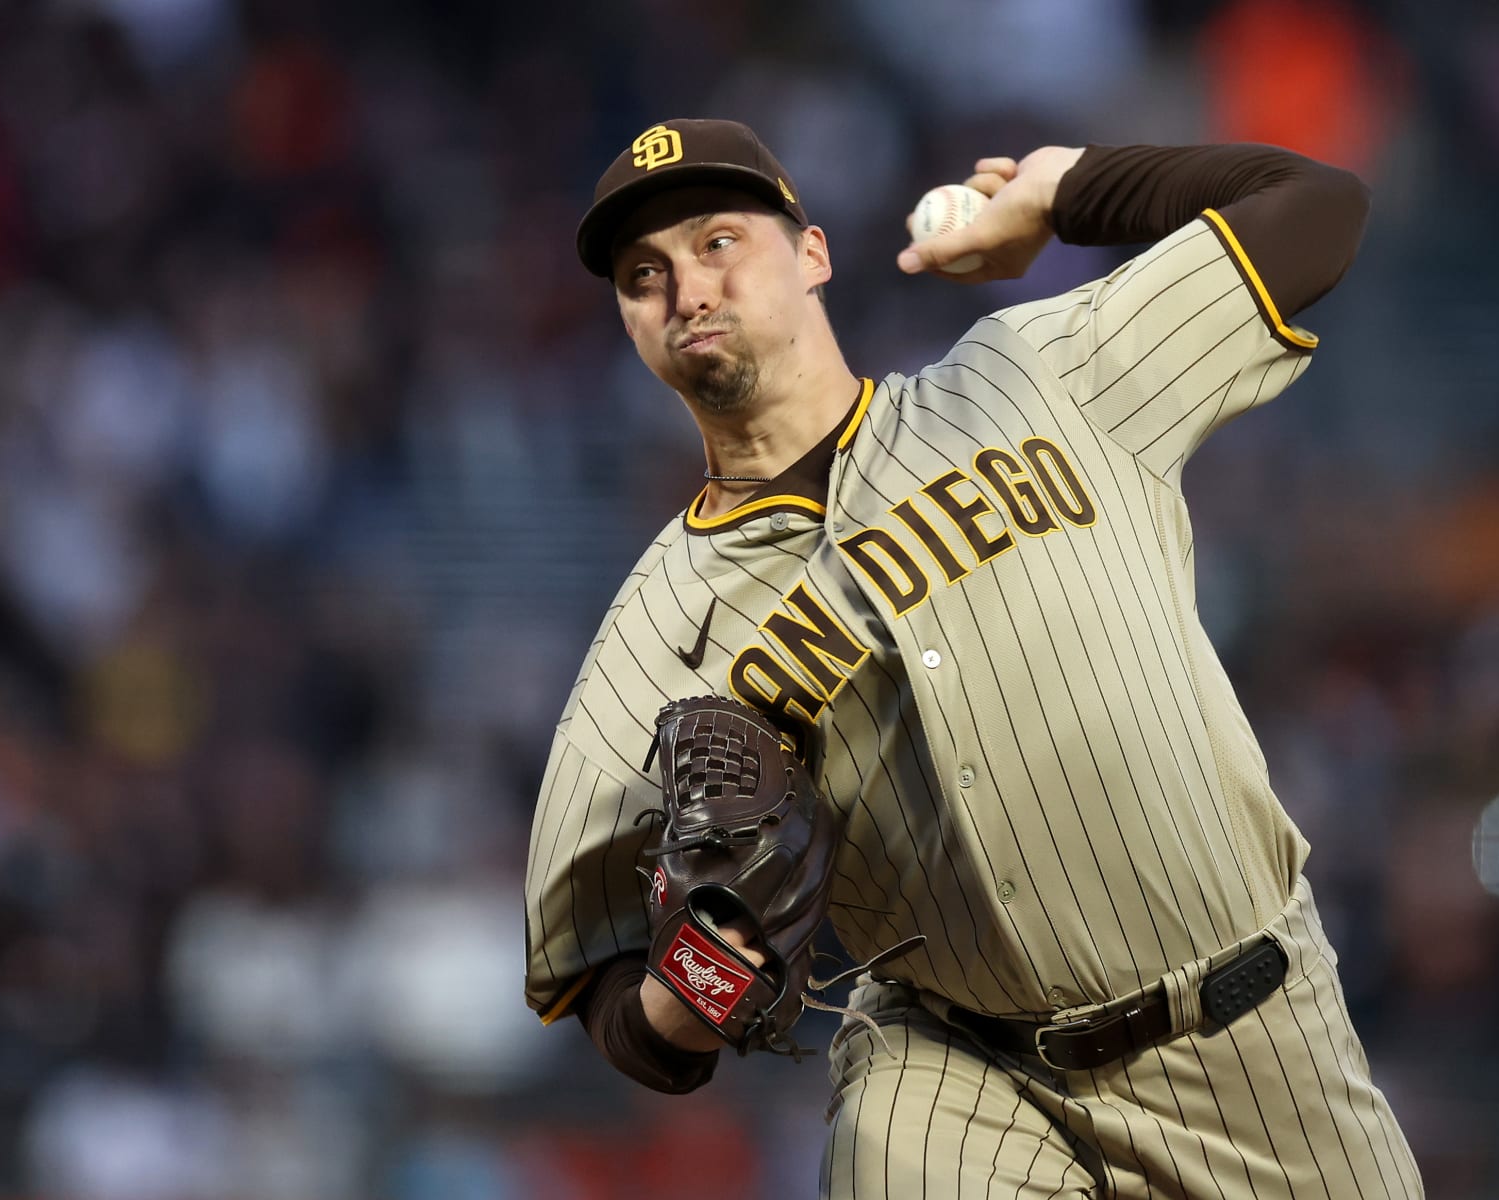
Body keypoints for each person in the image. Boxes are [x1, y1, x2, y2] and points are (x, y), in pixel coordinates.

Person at [524, 117, 1423, 1198]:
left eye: (718, 241)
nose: (686, 289)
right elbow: (597, 983)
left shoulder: (1040, 373)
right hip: (958, 1065)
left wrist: (1065, 192)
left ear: (811, 255)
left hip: (1254, 1035)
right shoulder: (654, 633)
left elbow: (1319, 210)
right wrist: (690, 994)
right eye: (643, 274)